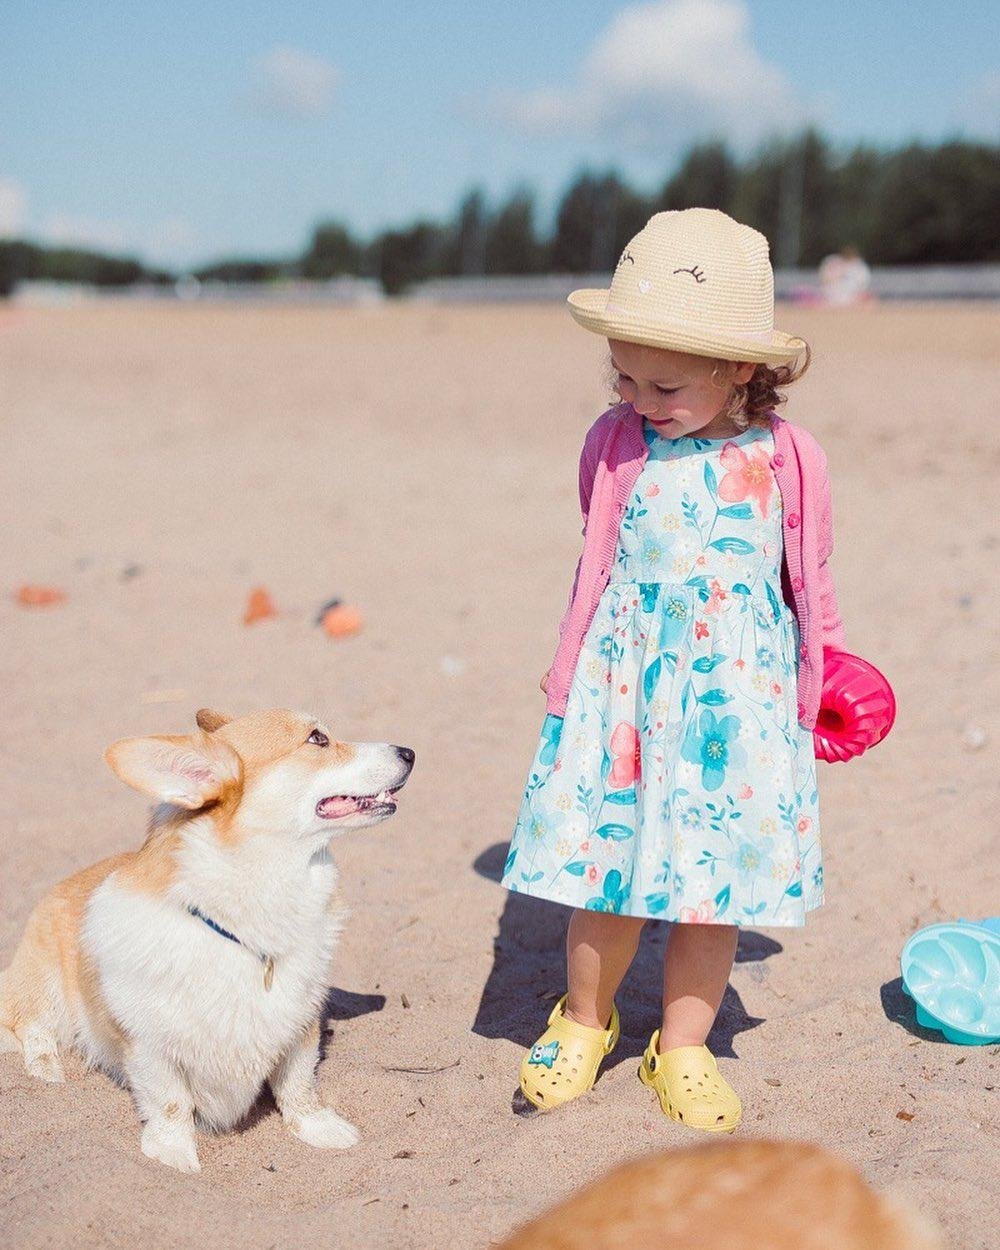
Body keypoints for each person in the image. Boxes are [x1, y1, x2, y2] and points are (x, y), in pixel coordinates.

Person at [500, 208, 845, 1133]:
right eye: (622, 373)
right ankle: (584, 1021)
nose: (638, 395)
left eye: (664, 382)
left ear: (742, 369)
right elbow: (597, 554)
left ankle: (683, 1046)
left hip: (739, 693)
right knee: (605, 871)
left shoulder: (787, 457)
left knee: (711, 887)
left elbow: (806, 578)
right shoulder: (617, 443)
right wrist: (573, 667)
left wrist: (830, 672)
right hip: (627, 688)